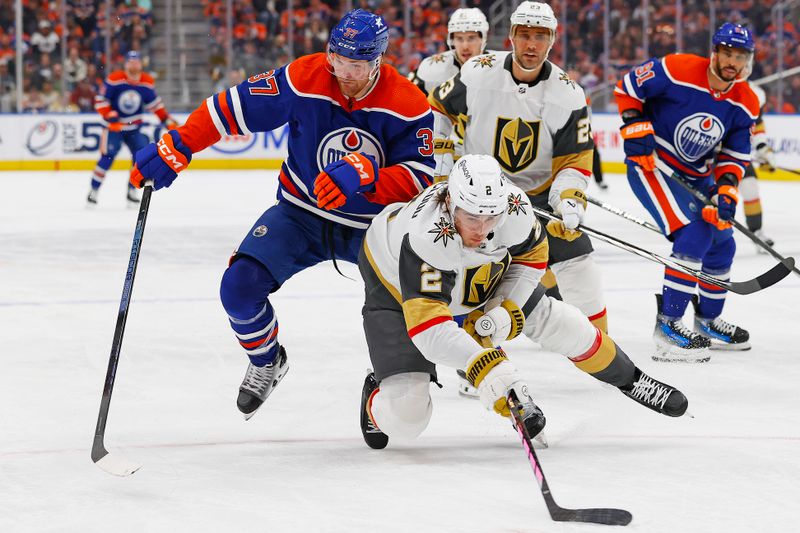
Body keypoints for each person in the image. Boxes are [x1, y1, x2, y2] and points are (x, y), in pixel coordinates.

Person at [128, 9, 435, 420]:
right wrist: (180, 143)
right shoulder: (304, 78)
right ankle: (267, 360)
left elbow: (420, 179)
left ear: (378, 59)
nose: (342, 71)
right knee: (238, 287)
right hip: (300, 214)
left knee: (410, 299)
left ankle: (383, 379)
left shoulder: (408, 104)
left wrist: (365, 175)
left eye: (355, 64)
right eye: (336, 58)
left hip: (371, 228)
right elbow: (230, 108)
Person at [357, 154, 688, 450]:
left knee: (561, 322)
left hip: (472, 271)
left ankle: (631, 378)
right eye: (472, 218)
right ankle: (377, 389)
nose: (483, 230)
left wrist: (508, 309)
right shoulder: (427, 236)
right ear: (450, 202)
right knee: (406, 420)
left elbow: (533, 257)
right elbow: (430, 330)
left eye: (492, 218)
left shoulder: (514, 207)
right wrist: (487, 369)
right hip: (395, 284)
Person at [428, 2, 609, 393]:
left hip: (539, 195)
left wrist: (570, 201)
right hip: (481, 197)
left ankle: (601, 351)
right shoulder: (477, 73)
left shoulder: (569, 94)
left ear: (553, 40)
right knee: (479, 279)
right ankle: (478, 361)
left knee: (579, 263)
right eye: (524, 34)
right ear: (510, 36)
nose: (531, 44)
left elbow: (575, 159)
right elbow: (438, 109)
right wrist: (443, 166)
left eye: (540, 36)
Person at [614, 23, 759, 362]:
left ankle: (707, 321)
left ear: (747, 61)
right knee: (693, 234)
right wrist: (634, 124)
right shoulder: (676, 68)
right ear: (715, 52)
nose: (732, 62)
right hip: (652, 167)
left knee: (723, 240)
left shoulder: (746, 102)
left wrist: (726, 192)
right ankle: (668, 327)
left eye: (740, 56)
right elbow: (628, 87)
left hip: (696, 176)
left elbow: (733, 156)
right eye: (727, 53)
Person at [88, 51, 177, 206]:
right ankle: (93, 191)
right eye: (131, 61)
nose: (134, 65)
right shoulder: (115, 79)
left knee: (140, 158)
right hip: (114, 127)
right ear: (126, 64)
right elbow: (100, 100)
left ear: (141, 64)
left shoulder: (147, 82)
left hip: (134, 127)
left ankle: (131, 190)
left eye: (136, 62)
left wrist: (166, 119)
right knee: (106, 158)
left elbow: (155, 105)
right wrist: (109, 114)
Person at [408, 7, 489, 94]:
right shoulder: (432, 67)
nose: (465, 46)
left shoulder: (498, 67)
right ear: (452, 40)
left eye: (471, 38)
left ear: (483, 39)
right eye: (459, 39)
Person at [740, 82, 776, 251]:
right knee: (714, 198)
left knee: (750, 188)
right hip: (710, 156)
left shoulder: (754, 96)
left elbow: (757, 128)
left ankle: (756, 232)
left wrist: (763, 150)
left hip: (737, 154)